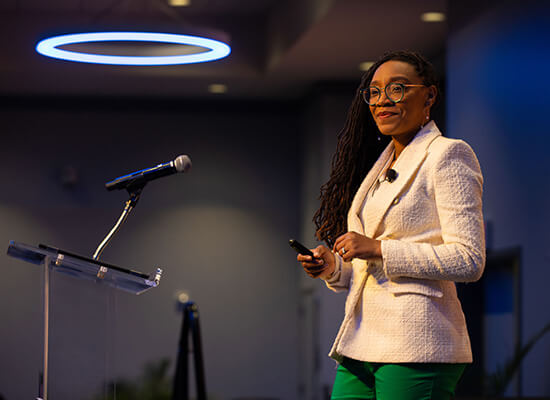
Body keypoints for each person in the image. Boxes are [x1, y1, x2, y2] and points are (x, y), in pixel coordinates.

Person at [297, 50, 485, 399]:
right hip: (362, 341)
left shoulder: (448, 154)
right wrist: (332, 268)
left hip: (418, 341)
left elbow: (468, 260)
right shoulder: (380, 167)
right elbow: (370, 270)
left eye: (397, 89)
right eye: (375, 92)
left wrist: (379, 248)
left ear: (429, 95)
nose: (383, 100)